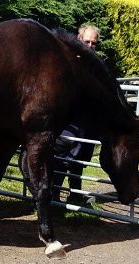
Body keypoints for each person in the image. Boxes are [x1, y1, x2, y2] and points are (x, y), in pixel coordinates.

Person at [51, 24, 100, 203]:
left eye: (93, 43)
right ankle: (54, 194)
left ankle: (75, 194)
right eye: (86, 41)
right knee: (64, 156)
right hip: (69, 119)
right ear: (78, 40)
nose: (89, 46)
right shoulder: (67, 59)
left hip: (88, 120)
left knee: (81, 158)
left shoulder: (97, 65)